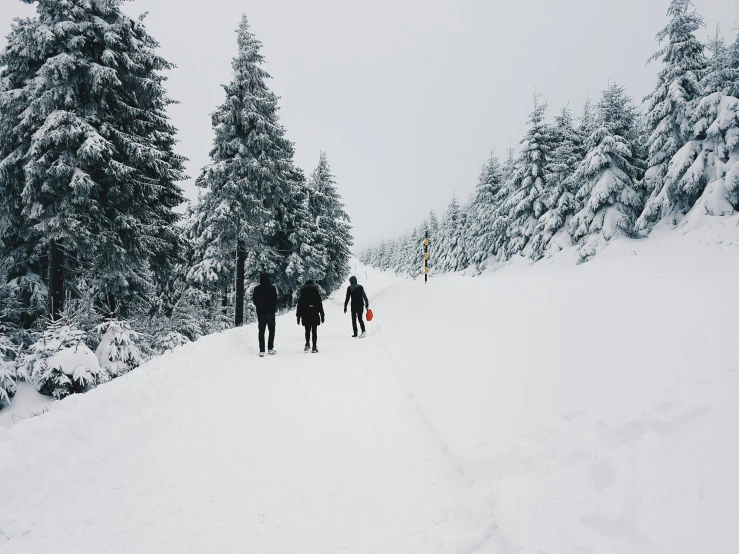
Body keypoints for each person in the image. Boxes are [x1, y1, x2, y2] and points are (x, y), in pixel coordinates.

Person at [252, 273, 278, 357]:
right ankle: (270, 348)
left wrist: (259, 307)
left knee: (261, 331)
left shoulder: (257, 289)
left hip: (261, 312)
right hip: (270, 312)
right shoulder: (272, 288)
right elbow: (275, 300)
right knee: (271, 330)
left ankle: (261, 350)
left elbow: (254, 300)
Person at [296, 279, 324, 353]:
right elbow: (320, 304)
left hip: (305, 313)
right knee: (314, 331)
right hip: (314, 312)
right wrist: (322, 315)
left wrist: (298, 316)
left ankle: (307, 344)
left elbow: (299, 305)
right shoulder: (316, 292)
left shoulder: (303, 293)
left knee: (307, 330)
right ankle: (314, 347)